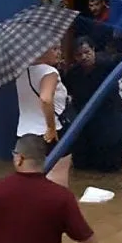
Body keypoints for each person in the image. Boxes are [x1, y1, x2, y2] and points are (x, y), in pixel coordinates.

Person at [63, 36, 122, 172]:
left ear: (93, 50)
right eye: (79, 55)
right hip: (85, 124)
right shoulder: (73, 74)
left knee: (109, 168)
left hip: (109, 121)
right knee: (82, 168)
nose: (84, 57)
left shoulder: (108, 64)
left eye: (87, 52)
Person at [15, 45, 72, 188]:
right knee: (57, 185)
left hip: (24, 135)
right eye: (54, 49)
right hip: (51, 135)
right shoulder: (50, 71)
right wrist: (51, 127)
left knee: (26, 184)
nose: (59, 52)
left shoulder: (20, 72)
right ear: (40, 51)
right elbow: (45, 98)